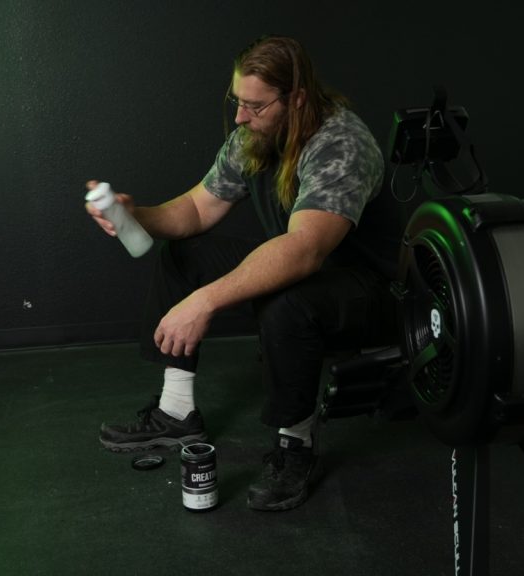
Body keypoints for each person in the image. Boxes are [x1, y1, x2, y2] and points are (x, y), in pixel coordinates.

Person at [85, 35, 402, 511]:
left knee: (287, 299)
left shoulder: (341, 144)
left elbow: (304, 250)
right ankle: (176, 412)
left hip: (370, 292)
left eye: (255, 106)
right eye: (237, 102)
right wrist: (133, 215)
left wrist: (204, 301)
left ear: (297, 99)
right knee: (184, 254)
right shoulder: (255, 135)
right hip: (305, 266)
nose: (240, 117)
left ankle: (296, 444)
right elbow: (197, 209)